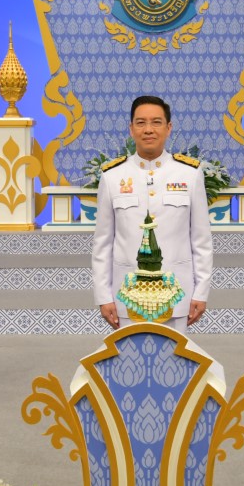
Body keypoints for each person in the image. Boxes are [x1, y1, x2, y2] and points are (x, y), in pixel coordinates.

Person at [91, 96, 213, 330]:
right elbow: (103, 243)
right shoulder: (112, 175)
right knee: (128, 353)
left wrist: (201, 291)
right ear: (131, 129)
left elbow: (201, 240)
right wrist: (103, 296)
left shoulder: (189, 173)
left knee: (176, 354)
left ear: (169, 128)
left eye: (156, 122)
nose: (148, 129)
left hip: (177, 293)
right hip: (127, 295)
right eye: (141, 123)